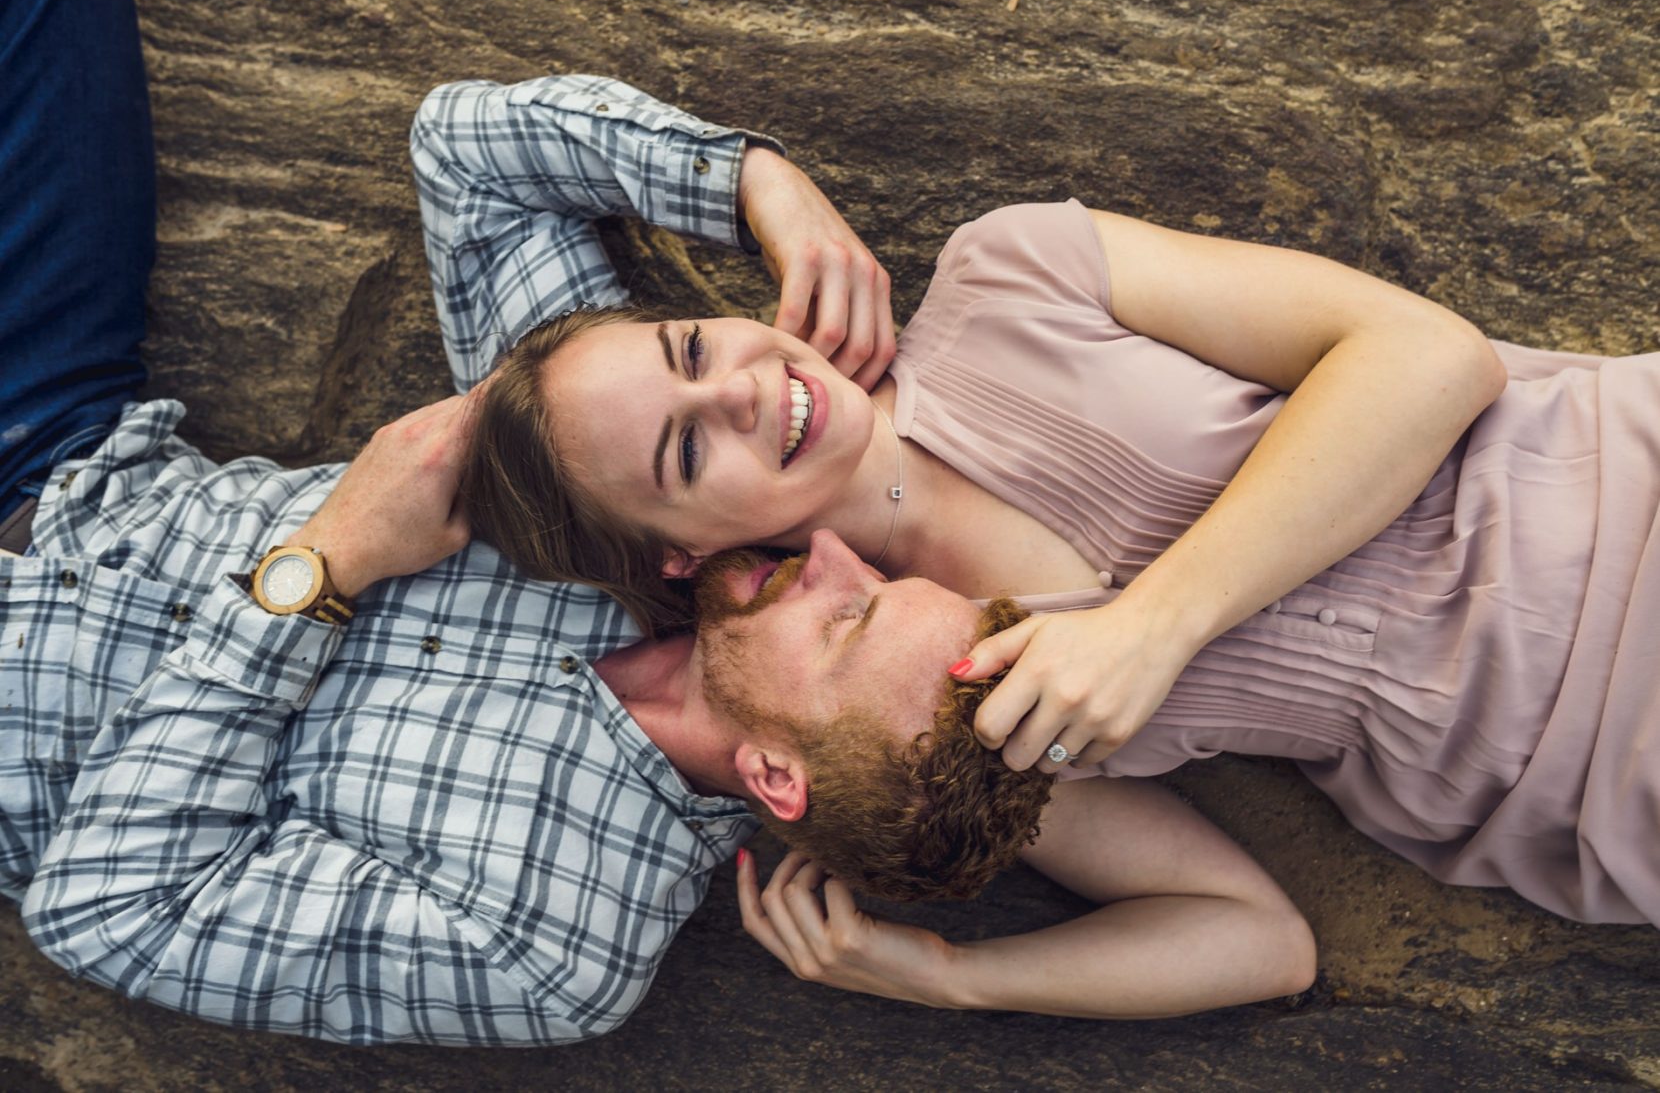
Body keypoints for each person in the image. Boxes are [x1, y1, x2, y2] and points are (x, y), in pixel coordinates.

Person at [2, 0, 1314, 1043]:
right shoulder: (636, 505)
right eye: (881, 570)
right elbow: (470, 148)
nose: (835, 551)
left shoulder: (553, 947)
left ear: (780, 779)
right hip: (64, 436)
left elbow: (109, 912)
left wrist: (327, 561)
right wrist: (760, 187)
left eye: (851, 610)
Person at [462, 70, 1660, 937]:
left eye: (687, 346)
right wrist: (941, 981)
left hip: (1619, 494)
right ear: (685, 559)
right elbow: (1251, 938)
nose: (738, 385)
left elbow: (1433, 359)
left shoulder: (1009, 272)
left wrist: (755, 178)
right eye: (682, 454)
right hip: (1574, 784)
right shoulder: (926, 713)